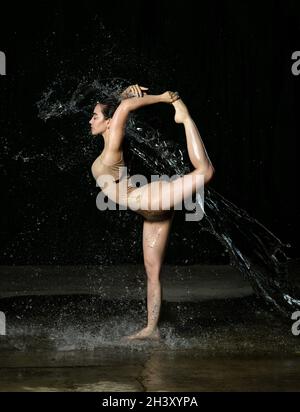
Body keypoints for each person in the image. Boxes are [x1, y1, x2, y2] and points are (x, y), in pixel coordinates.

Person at [90, 84, 215, 341]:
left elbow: (124, 108)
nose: (90, 120)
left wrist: (163, 98)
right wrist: (124, 94)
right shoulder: (109, 145)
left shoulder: (113, 145)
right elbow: (123, 106)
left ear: (108, 122)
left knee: (205, 172)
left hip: (151, 199)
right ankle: (151, 328)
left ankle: (184, 117)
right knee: (152, 271)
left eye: (95, 116)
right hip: (151, 213)